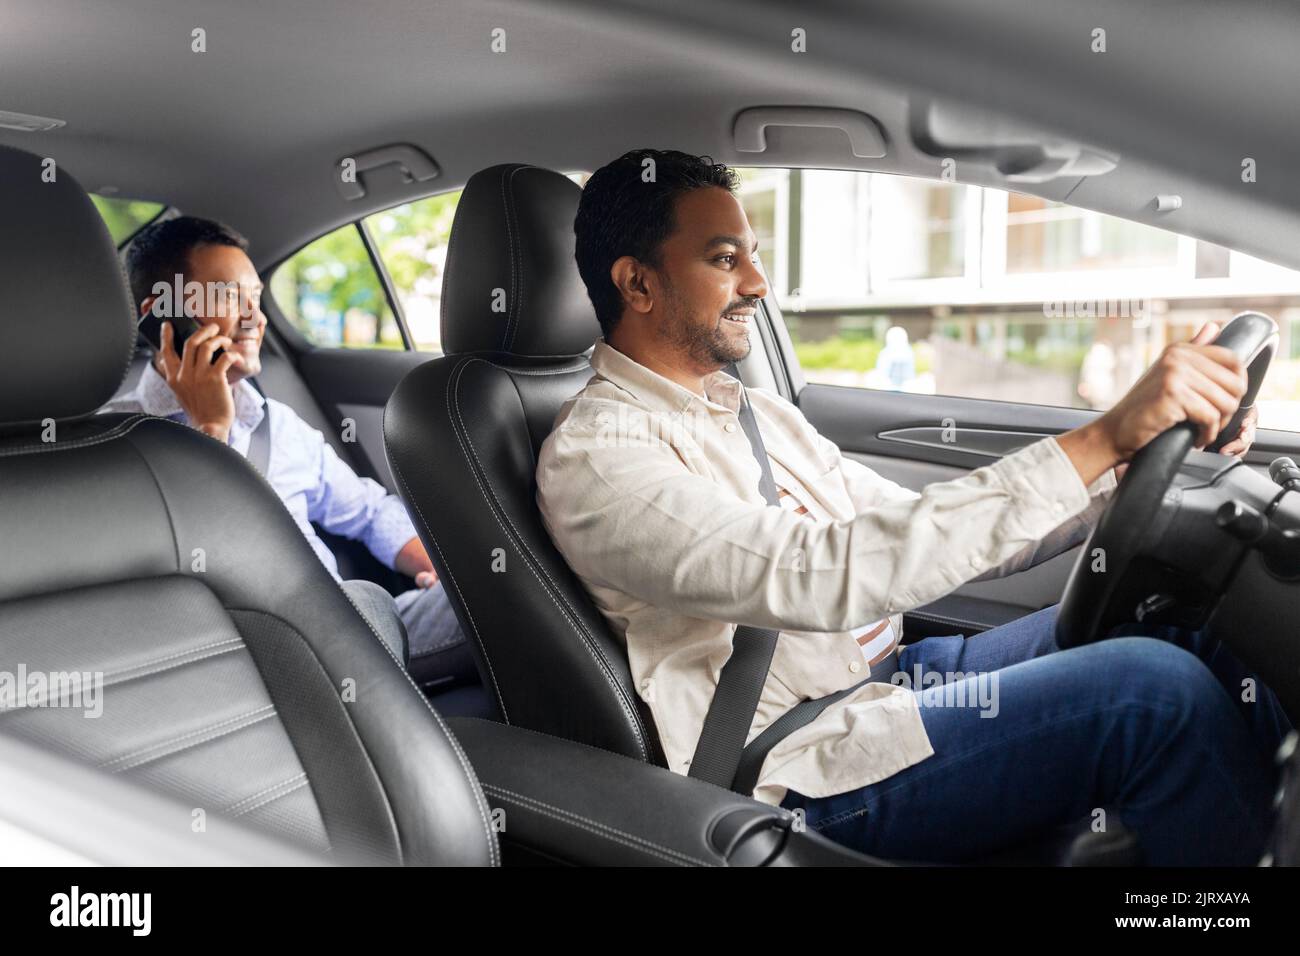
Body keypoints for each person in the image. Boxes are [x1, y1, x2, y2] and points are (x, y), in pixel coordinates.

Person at [535, 148, 1288, 865]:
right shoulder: (599, 457)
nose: (760, 283)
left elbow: (918, 527)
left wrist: (1127, 469)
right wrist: (1098, 436)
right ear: (638, 285)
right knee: (1154, 697)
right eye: (726, 259)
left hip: (895, 680)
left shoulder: (756, 415)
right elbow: (816, 574)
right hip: (802, 761)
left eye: (754, 254)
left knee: (1189, 626)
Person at [101, 216, 473, 688]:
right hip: (251, 661)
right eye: (230, 296)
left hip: (352, 628)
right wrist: (210, 428)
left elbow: (368, 511)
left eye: (255, 298)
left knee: (492, 585)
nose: (255, 318)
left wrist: (431, 564)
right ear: (165, 314)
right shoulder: (115, 442)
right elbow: (182, 582)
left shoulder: (276, 423)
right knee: (364, 603)